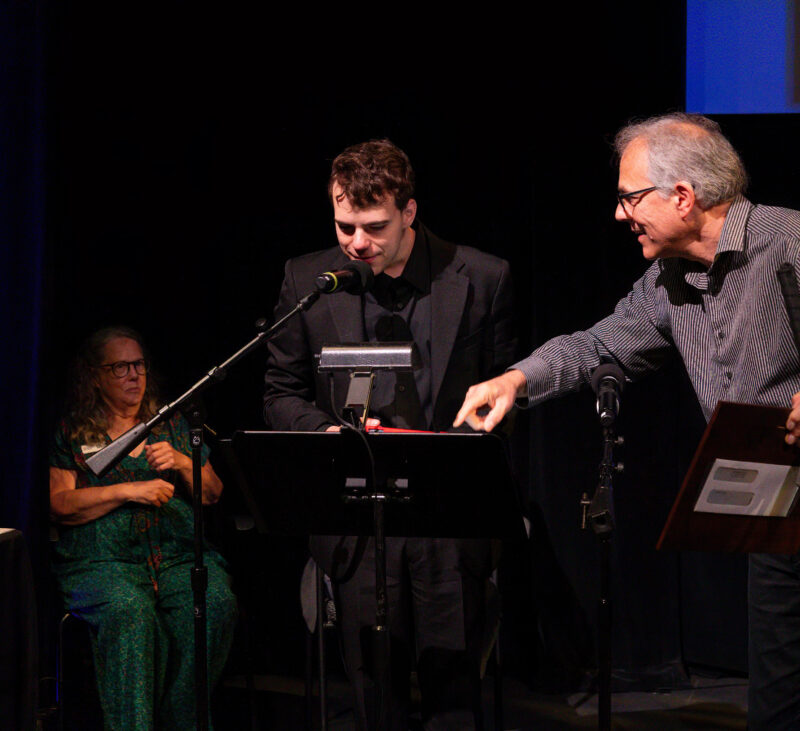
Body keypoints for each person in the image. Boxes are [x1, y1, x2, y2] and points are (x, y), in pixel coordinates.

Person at [455, 113, 800, 730]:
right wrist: (515, 380)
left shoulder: (799, 247)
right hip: (783, 499)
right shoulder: (668, 280)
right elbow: (600, 345)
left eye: (629, 197)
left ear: (683, 197)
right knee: (784, 712)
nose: (619, 214)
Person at [263, 138, 516, 730]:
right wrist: (328, 431)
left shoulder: (482, 277)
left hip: (447, 518)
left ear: (409, 211)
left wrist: (476, 435)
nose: (357, 243)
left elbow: (508, 394)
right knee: (373, 701)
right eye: (344, 226)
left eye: (374, 227)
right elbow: (280, 391)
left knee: (453, 699)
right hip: (356, 519)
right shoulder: (307, 278)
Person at [50, 326, 237, 731]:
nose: (134, 376)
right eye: (120, 367)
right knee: (130, 612)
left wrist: (183, 462)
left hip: (175, 557)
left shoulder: (170, 426)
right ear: (95, 376)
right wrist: (127, 491)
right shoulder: (74, 432)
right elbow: (59, 504)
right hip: (103, 562)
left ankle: (182, 719)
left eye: (139, 365)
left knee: (213, 602)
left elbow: (213, 494)